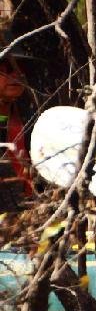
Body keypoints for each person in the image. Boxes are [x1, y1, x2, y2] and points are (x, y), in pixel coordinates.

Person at [0, 38, 37, 213]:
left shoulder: (28, 115)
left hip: (27, 212)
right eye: (7, 69)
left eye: (21, 69)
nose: (16, 75)